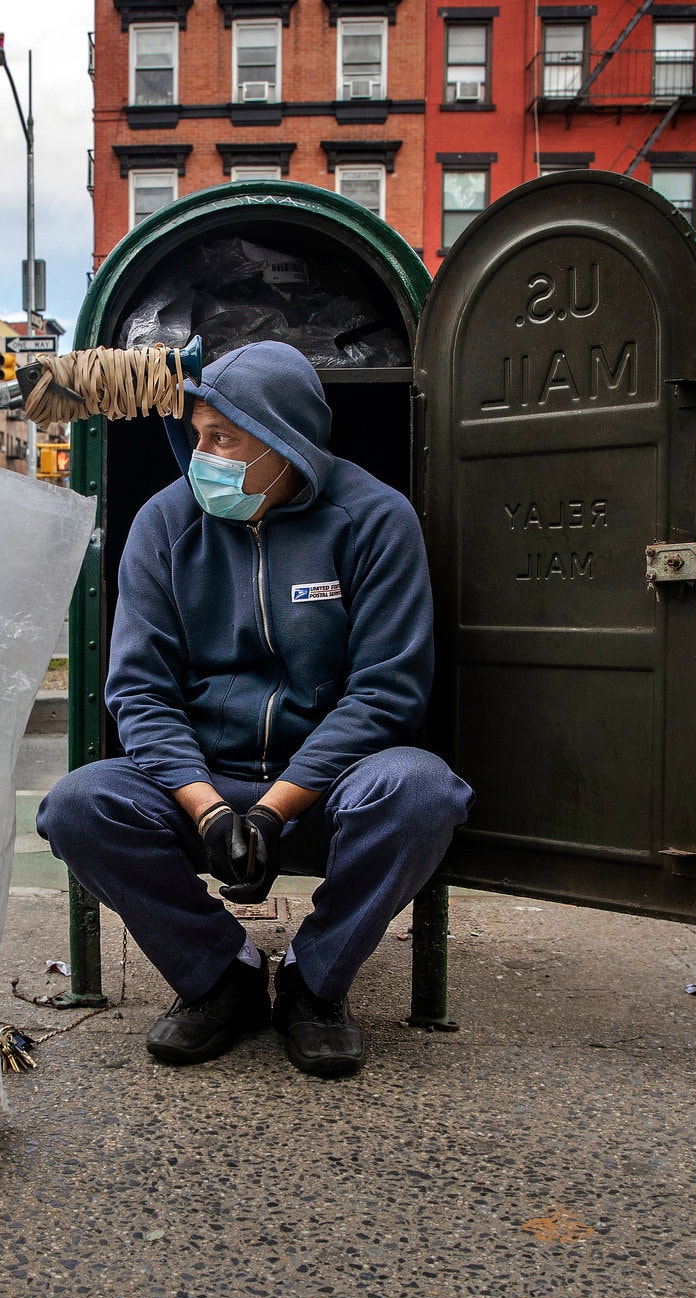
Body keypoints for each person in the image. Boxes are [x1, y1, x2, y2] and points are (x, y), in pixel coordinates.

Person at [37, 340, 472, 1078]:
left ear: (283, 441)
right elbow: (139, 691)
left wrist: (275, 810)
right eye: (197, 434)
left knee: (424, 792)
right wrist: (208, 809)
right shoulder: (164, 523)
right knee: (78, 806)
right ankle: (220, 976)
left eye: (222, 437)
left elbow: (387, 690)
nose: (200, 453)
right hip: (204, 781)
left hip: (329, 788)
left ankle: (314, 980)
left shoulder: (373, 519)